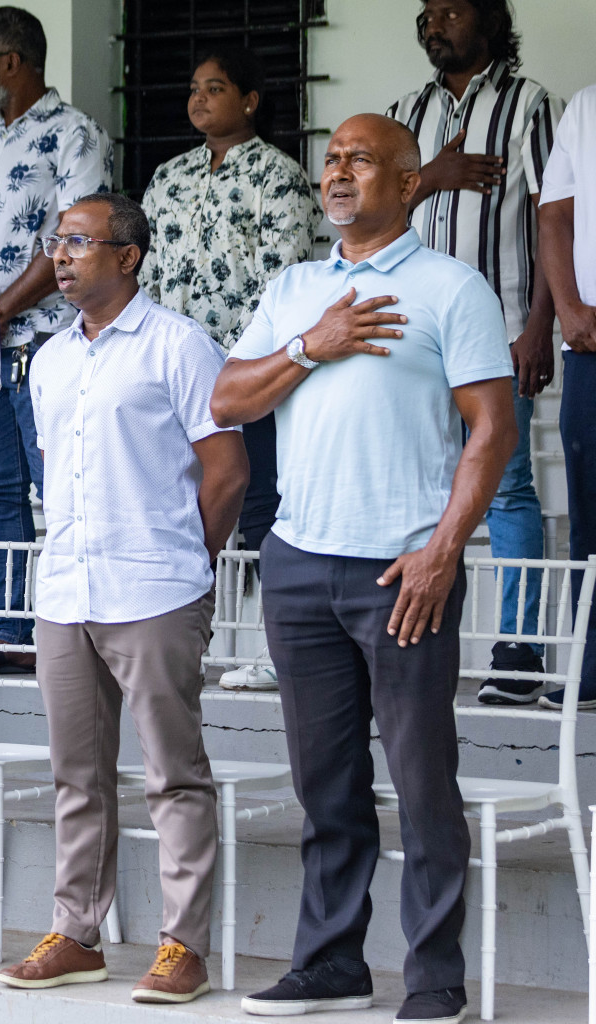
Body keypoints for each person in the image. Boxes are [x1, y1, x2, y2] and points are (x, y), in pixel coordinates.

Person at [212, 114, 516, 1024]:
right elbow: (228, 396)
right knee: (326, 784)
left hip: (402, 572)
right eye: (332, 159)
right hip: (300, 564)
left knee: (424, 784)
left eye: (362, 160)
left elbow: (492, 432)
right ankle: (331, 964)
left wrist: (441, 552)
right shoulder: (296, 286)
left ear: (410, 182)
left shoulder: (451, 289)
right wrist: (314, 344)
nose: (338, 173)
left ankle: (433, 981)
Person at [0, 195, 248, 1003]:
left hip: (156, 590)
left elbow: (228, 471)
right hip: (67, 589)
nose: (60, 256)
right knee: (77, 774)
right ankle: (77, 933)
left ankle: (185, 947)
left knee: (173, 774)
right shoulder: (49, 359)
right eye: (56, 242)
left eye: (78, 242)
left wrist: (186, 562)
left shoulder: (180, 346)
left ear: (129, 255)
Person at [387, 0, 564, 704]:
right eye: (426, 13)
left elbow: (559, 215)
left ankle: (517, 652)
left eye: (452, 11)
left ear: (489, 22)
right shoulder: (403, 111)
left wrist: (538, 326)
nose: (434, 23)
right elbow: (370, 207)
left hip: (499, 330)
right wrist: (428, 178)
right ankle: (411, 642)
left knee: (509, 490)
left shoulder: (531, 103)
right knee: (418, 490)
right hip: (409, 338)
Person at [139, 48, 319, 692]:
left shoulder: (280, 176)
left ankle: (280, 649)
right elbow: (148, 276)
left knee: (265, 504)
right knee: (177, 501)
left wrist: (241, 361)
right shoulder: (168, 177)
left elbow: (285, 281)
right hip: (175, 373)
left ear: (249, 100)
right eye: (193, 88)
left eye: (215, 87)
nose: (198, 99)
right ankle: (176, 637)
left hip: (250, 372)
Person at [0, 7, 111, 674]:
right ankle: (13, 633)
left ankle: (79, 630)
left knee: (60, 489)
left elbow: (73, 239)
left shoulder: (75, 134)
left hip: (48, 340)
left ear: (11, 63)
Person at [538, 81, 596, 710]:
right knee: (592, 513)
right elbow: (554, 214)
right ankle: (594, 664)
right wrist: (570, 313)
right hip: (593, 343)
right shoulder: (587, 107)